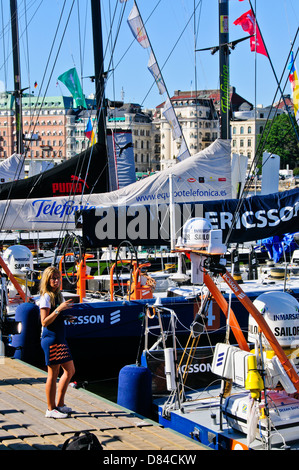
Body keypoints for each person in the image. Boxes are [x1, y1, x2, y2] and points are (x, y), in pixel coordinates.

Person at [39, 266, 75, 419]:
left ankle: (59, 404)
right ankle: (50, 409)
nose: (56, 281)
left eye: (57, 278)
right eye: (53, 278)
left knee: (70, 371)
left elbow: (55, 317)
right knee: (53, 375)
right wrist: (59, 310)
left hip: (59, 338)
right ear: (47, 280)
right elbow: (44, 322)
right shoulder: (46, 297)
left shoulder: (58, 295)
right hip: (51, 339)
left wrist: (65, 317)